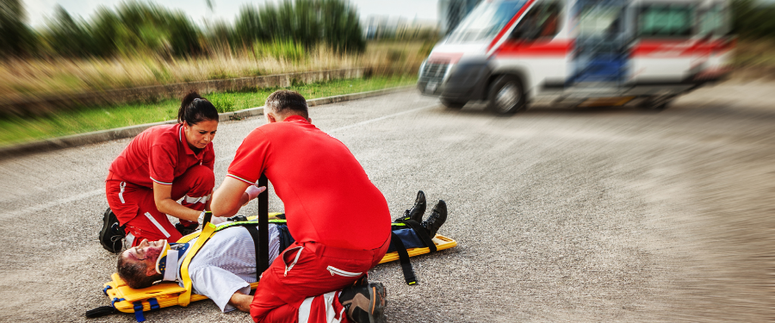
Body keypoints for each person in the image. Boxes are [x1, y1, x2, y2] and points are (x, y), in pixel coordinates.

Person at [209, 90, 393, 323]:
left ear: (270, 119)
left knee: (262, 311)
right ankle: (351, 286)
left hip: (332, 252)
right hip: (381, 242)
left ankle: (343, 306)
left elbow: (220, 207)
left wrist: (246, 196)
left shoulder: (265, 134)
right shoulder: (329, 139)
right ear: (308, 120)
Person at [116, 192, 448, 316]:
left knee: (348, 218)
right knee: (352, 241)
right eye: (140, 254)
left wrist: (244, 196)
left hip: (281, 226)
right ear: (150, 272)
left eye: (138, 244)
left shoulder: (184, 249)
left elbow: (218, 224)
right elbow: (243, 300)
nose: (144, 245)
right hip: (291, 247)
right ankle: (417, 233)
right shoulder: (196, 271)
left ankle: (405, 222)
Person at [100, 91, 222, 253]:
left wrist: (214, 219)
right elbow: (162, 202)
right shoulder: (163, 144)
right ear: (185, 125)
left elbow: (207, 188)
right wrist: (202, 216)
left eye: (212, 133)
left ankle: (187, 227)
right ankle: (123, 226)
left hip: (155, 188)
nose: (207, 139)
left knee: (205, 176)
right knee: (170, 250)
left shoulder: (205, 146)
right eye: (202, 132)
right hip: (127, 190)